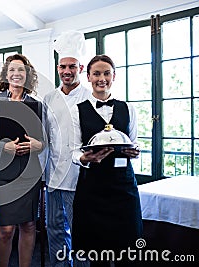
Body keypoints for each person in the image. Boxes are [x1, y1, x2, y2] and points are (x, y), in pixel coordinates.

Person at [70, 54, 142, 267]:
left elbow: (135, 142)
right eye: (97, 74)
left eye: (106, 73)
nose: (102, 78)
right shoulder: (78, 110)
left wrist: (136, 151)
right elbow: (74, 151)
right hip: (92, 188)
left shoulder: (128, 108)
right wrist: (85, 157)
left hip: (124, 187)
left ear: (114, 76)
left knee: (127, 250)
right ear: (88, 77)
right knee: (96, 253)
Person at [0, 54, 45, 267]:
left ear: (28, 76)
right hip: (3, 173)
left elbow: (43, 141)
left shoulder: (37, 105)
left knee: (28, 225)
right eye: (12, 70)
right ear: (6, 75)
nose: (17, 74)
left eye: (21, 70)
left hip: (29, 172)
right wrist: (2, 146)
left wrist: (38, 145)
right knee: (5, 229)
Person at [43, 30, 92, 267]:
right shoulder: (49, 98)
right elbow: (45, 138)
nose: (66, 71)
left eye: (72, 66)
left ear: (80, 69)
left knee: (80, 231)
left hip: (80, 177)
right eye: (62, 66)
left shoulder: (90, 97)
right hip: (52, 176)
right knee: (54, 228)